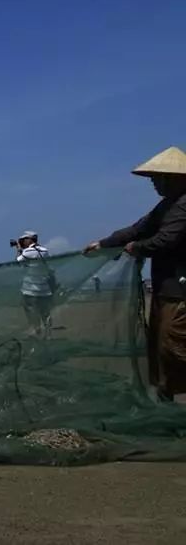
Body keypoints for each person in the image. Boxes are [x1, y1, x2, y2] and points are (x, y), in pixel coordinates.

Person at [84, 146, 186, 401]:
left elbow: (166, 240)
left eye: (156, 178)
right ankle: (167, 399)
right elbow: (136, 229)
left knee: (173, 347)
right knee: (161, 349)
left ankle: (170, 395)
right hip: (166, 290)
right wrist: (104, 243)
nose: (153, 183)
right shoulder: (166, 206)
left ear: (173, 178)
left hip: (180, 291)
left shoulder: (184, 205)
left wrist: (137, 248)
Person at [14, 231, 55, 338]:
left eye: (23, 240)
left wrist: (19, 249)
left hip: (30, 288)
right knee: (45, 312)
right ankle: (48, 333)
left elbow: (18, 261)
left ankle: (37, 331)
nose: (22, 242)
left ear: (29, 240)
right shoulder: (45, 251)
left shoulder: (28, 252)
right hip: (44, 288)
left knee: (30, 310)